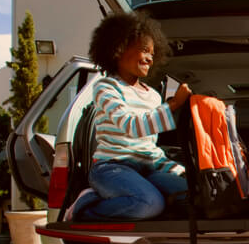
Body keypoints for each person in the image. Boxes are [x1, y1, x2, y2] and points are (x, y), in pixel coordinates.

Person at [67, 12, 192, 222]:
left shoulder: (152, 96)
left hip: (148, 168)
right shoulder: (107, 88)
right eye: (144, 50)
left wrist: (183, 172)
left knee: (195, 196)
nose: (149, 58)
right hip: (113, 168)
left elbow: (148, 148)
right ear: (118, 49)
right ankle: (86, 205)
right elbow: (131, 126)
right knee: (148, 204)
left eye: (152, 54)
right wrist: (173, 105)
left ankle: (150, 198)